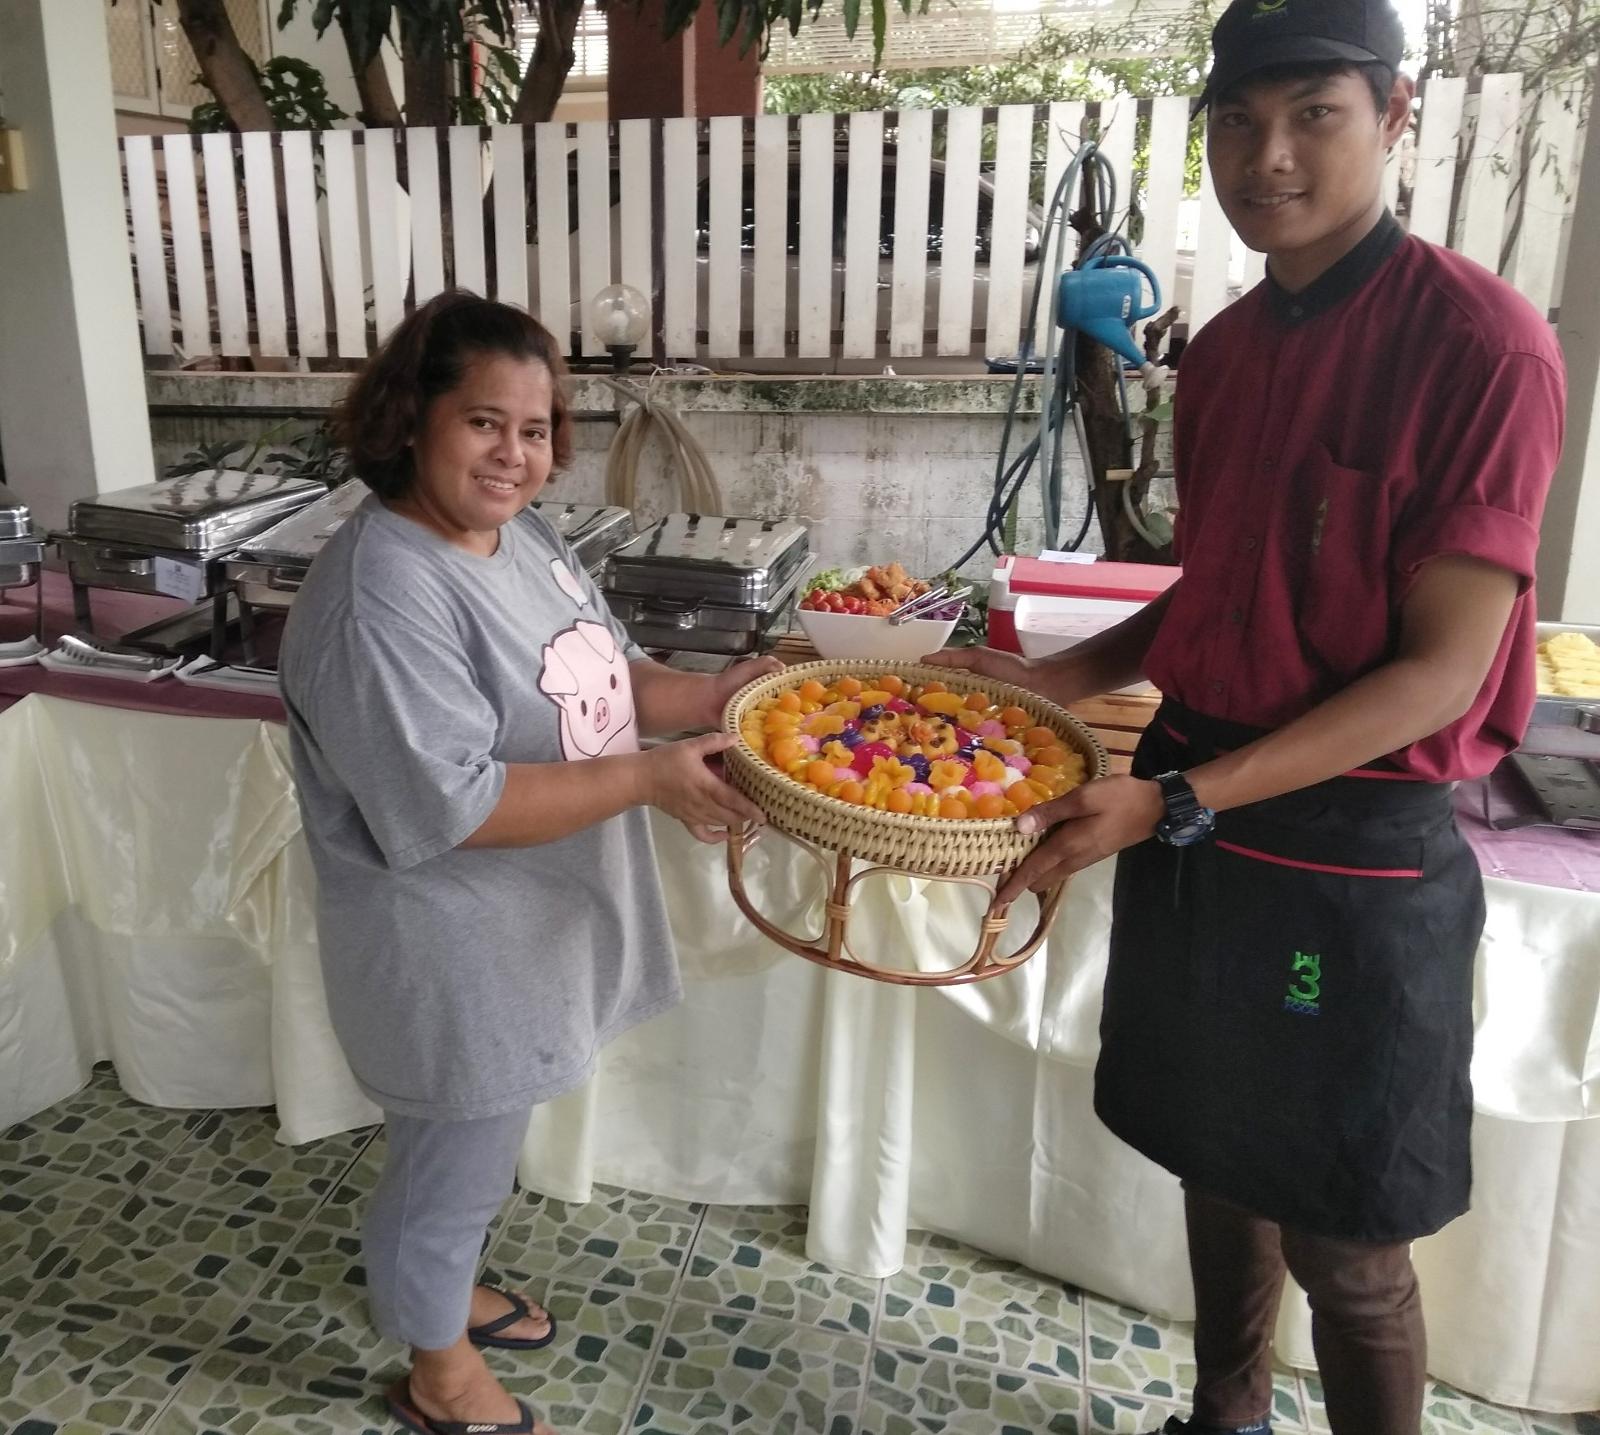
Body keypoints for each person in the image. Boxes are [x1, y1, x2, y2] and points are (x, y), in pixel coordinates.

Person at [928, 1, 1566, 1431]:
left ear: (1393, 116)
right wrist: (1053, 684)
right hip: (1192, 810)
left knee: (1346, 1236)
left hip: (1344, 851)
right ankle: (1224, 1414)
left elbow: (1439, 676)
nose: (1266, 156)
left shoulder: (1483, 346)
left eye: (1313, 115)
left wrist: (1170, 799)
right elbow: (1215, 594)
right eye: (1235, 121)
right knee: (1217, 1155)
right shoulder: (1218, 355)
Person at [278, 290, 775, 1435]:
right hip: (448, 940)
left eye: (536, 428)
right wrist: (649, 779)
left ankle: (439, 1285)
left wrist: (708, 694)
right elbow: (449, 805)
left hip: (527, 923)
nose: (515, 454)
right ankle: (438, 1371)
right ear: (412, 419)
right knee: (453, 1154)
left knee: (475, 1143)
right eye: (483, 423)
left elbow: (602, 666)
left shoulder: (522, 538)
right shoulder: (382, 593)